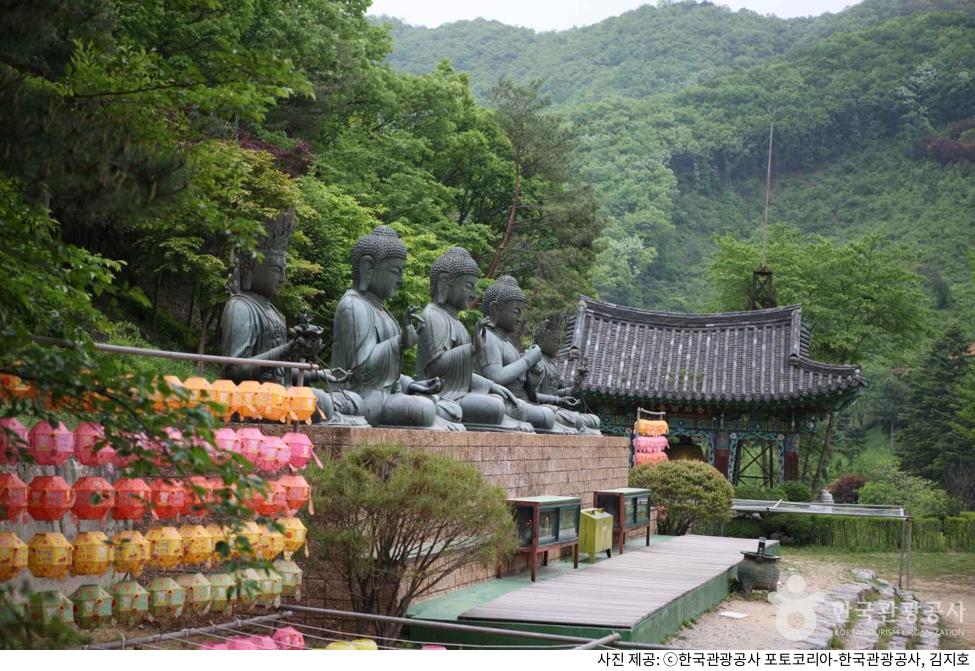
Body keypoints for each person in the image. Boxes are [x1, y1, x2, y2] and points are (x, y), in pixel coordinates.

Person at [331, 225, 463, 430]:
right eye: (395, 271)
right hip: (361, 397)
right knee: (424, 409)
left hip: (386, 395)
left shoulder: (384, 313)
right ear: (368, 267)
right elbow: (361, 371)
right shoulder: (353, 305)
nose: (401, 280)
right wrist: (399, 342)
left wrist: (410, 384)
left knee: (449, 408)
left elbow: (389, 376)